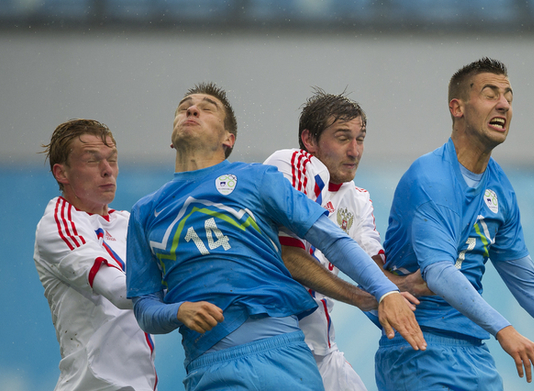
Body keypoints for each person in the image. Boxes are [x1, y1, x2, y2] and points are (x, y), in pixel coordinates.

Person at [125, 82, 426, 391]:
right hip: (210, 365)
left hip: (285, 352)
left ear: (228, 138)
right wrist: (176, 311)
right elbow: (144, 306)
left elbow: (329, 237)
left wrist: (385, 292)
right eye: (184, 107)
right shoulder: (145, 212)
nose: (191, 109)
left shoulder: (257, 178)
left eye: (206, 108)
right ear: (171, 138)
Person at [375, 58, 534, 390]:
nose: (504, 104)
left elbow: (529, 285)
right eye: (490, 94)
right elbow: (438, 272)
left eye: (509, 97)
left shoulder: (501, 189)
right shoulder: (430, 177)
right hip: (417, 348)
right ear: (457, 108)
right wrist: (504, 330)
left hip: (474, 353)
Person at [264, 88, 432, 390]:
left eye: (360, 139)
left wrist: (406, 285)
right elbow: (288, 257)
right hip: (274, 341)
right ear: (309, 140)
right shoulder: (293, 164)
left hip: (321, 347)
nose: (354, 151)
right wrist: (364, 298)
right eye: (343, 138)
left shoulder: (359, 199)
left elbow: (372, 271)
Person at [33, 119, 157, 391]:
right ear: (61, 173)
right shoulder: (59, 222)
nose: (107, 170)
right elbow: (121, 292)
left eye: (112, 159)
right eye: (92, 160)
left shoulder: (128, 222)